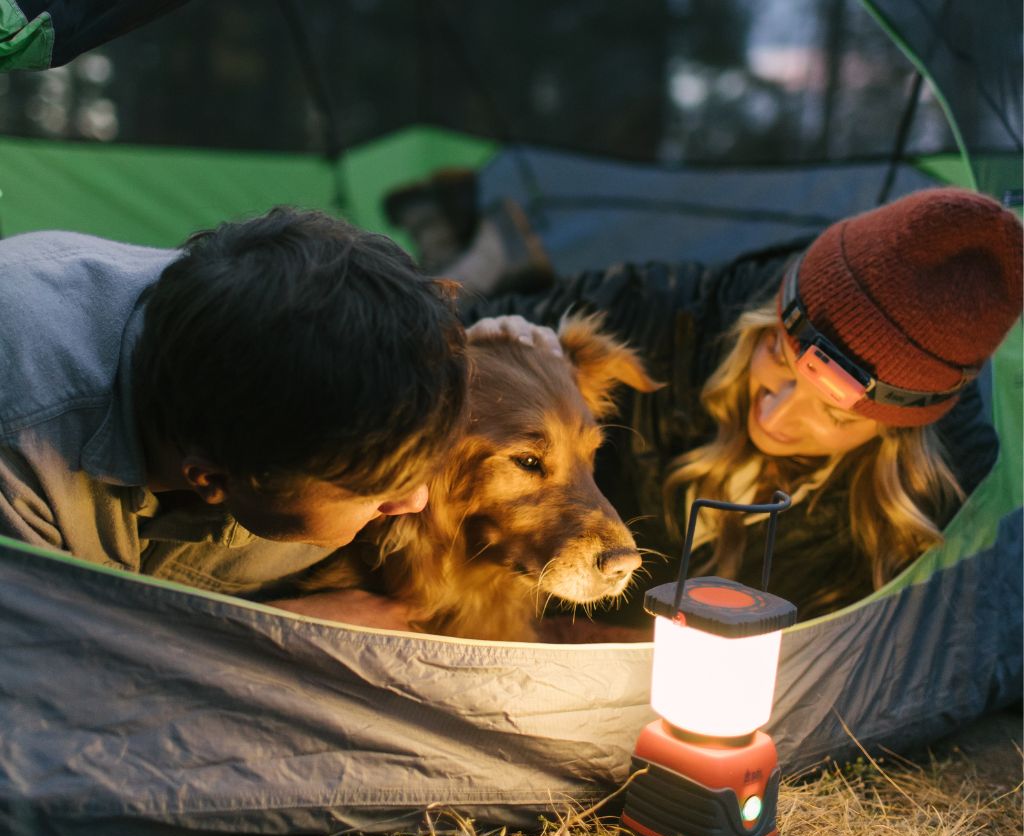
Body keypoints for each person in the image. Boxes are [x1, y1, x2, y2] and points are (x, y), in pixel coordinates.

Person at [462, 187, 1023, 622]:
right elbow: (404, 346)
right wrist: (492, 338)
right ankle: (486, 258)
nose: (776, 413)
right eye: (777, 354)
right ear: (767, 318)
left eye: (832, 413)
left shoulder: (949, 502)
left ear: (893, 432)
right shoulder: (668, 314)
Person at [0, 206, 468, 626]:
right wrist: (283, 630)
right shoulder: (24, 453)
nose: (415, 501)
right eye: (374, 491)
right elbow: (48, 679)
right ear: (209, 480)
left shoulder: (302, 352)